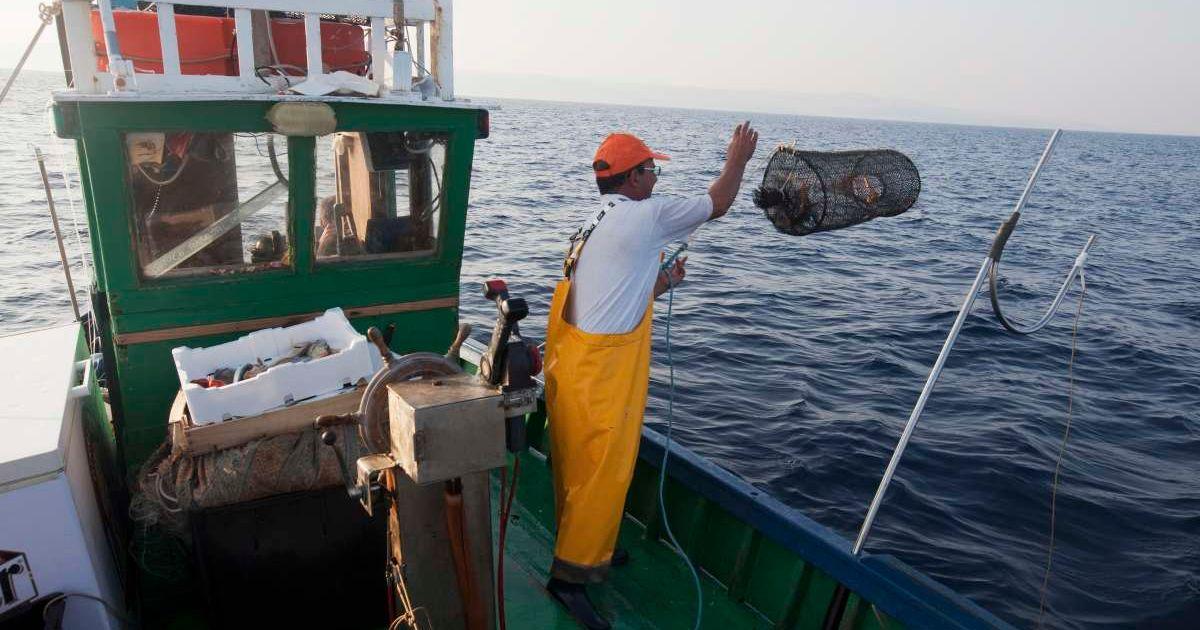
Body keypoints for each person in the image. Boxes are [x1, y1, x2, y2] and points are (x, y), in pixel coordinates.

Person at [542, 123, 758, 629]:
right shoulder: (646, 216)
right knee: (602, 470)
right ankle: (568, 580)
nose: (656, 178)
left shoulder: (595, 219)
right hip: (602, 372)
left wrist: (660, 282)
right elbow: (717, 203)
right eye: (651, 170)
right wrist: (738, 159)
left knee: (576, 463)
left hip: (571, 363)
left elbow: (610, 294)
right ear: (632, 178)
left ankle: (587, 546)